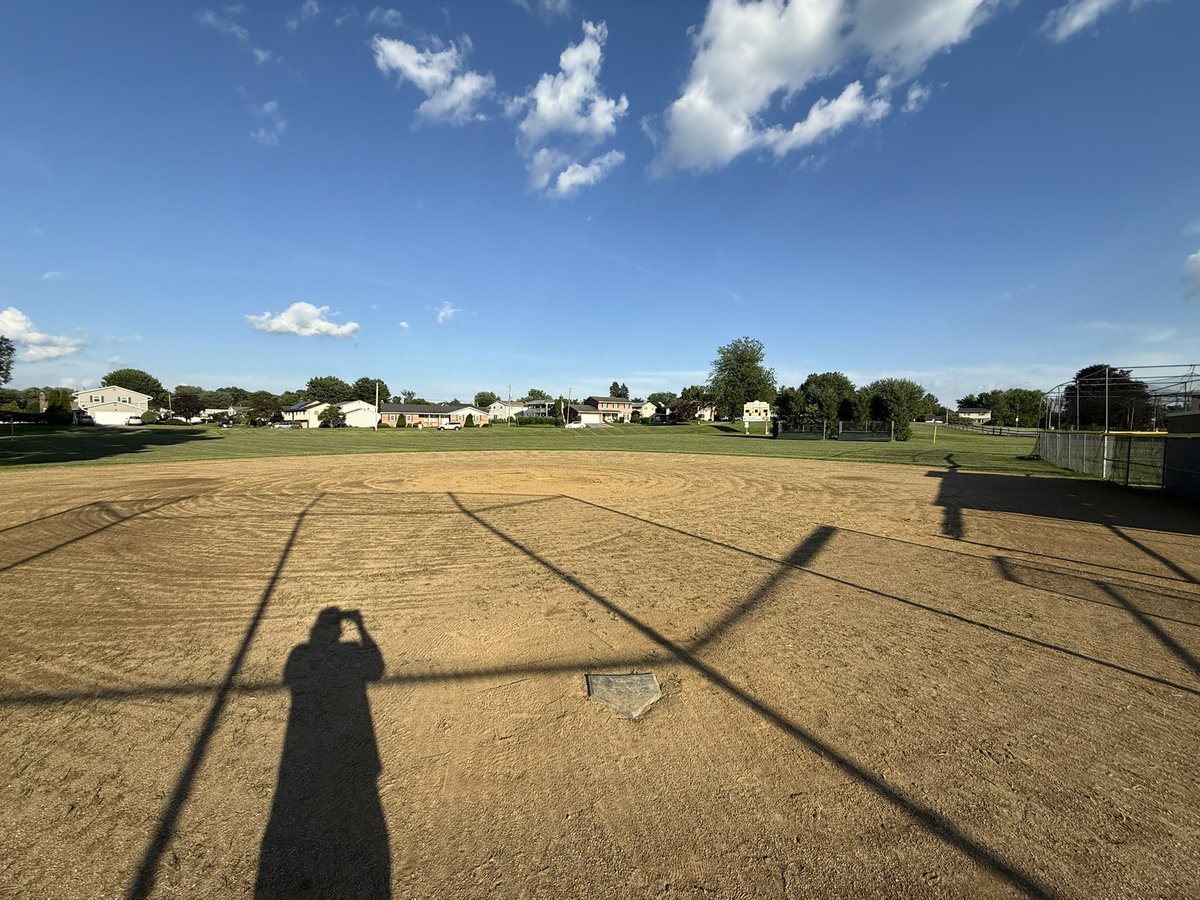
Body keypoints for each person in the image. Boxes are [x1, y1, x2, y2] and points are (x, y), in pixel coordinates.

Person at [256, 607, 389, 899]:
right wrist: (362, 627)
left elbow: (290, 680)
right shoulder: (331, 650)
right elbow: (376, 669)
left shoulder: (300, 652)